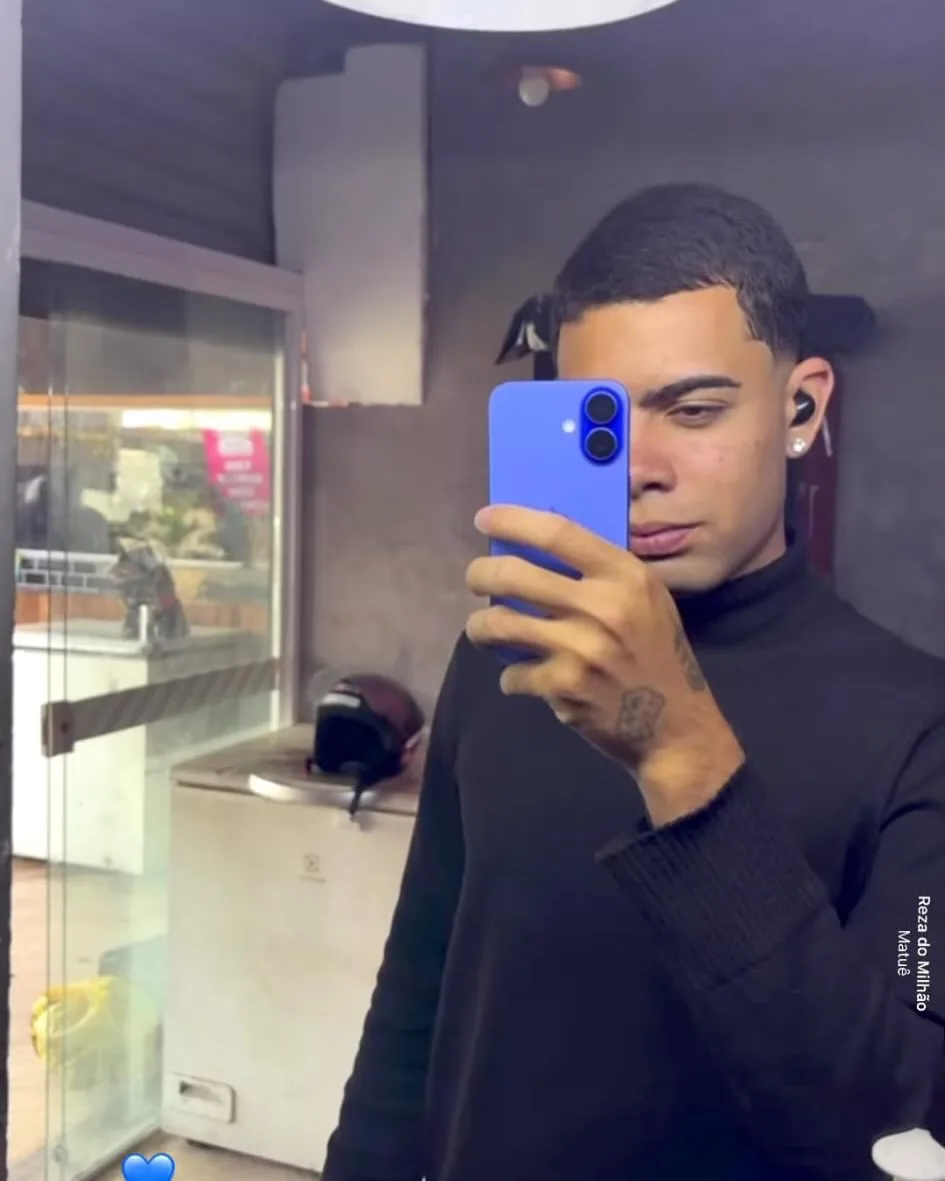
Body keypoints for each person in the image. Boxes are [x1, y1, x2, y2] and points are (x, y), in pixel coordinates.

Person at [323, 184, 945, 1180]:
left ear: (801, 405)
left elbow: (898, 1133)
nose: (638, 467)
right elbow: (417, 992)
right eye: (601, 419)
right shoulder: (507, 655)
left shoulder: (918, 722)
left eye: (693, 410)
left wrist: (680, 753)